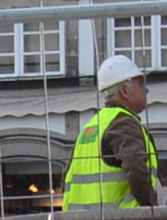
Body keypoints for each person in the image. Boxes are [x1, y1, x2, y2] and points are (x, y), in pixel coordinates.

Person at [63, 52, 160, 210]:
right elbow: (136, 169)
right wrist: (152, 208)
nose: (146, 90)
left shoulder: (92, 127)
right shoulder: (123, 123)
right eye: (141, 83)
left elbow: (67, 178)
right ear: (124, 91)